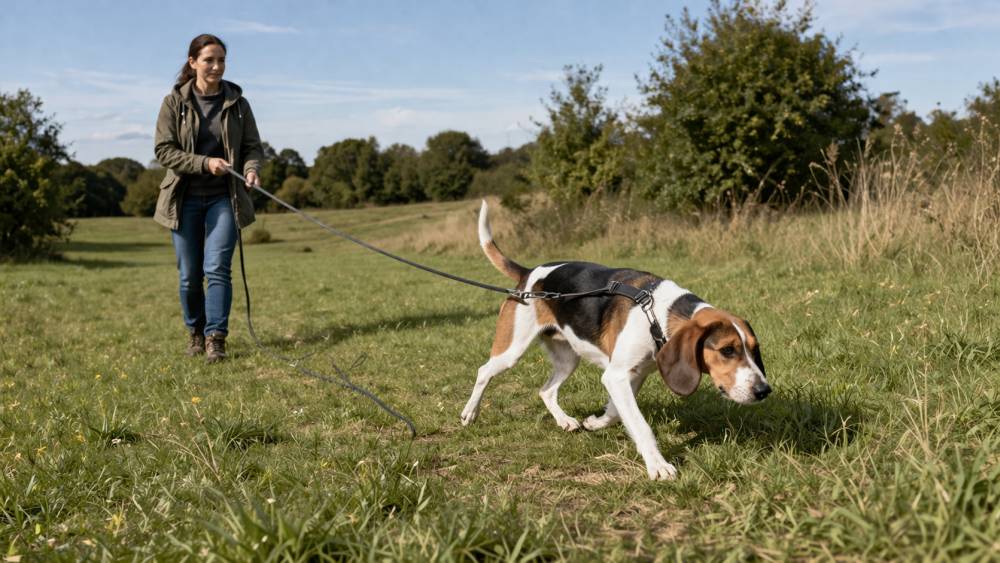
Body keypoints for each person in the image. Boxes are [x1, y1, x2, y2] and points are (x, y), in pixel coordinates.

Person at [153, 33, 264, 363]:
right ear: (193, 62)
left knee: (217, 269)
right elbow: (164, 151)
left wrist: (252, 169)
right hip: (184, 199)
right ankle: (196, 333)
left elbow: (252, 147)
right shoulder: (173, 102)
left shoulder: (239, 104)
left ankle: (216, 338)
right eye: (209, 60)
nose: (217, 66)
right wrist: (205, 163)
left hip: (224, 199)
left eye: (221, 60)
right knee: (190, 276)